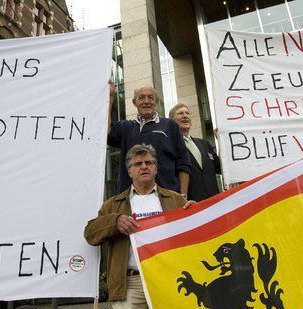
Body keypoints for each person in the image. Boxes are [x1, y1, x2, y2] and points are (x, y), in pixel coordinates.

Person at [84, 144, 192, 308]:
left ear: (156, 168)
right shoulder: (114, 204)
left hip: (169, 277)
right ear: (129, 171)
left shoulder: (176, 200)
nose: (144, 167)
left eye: (149, 163)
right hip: (131, 283)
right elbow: (90, 234)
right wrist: (115, 221)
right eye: (137, 164)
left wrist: (195, 213)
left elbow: (191, 235)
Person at [108, 81, 191, 195]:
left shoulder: (170, 125)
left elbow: (183, 163)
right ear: (134, 102)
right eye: (141, 98)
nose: (146, 101)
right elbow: (105, 130)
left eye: (150, 98)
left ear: (156, 102)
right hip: (132, 200)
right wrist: (110, 96)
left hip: (167, 198)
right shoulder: (125, 128)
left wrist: (182, 195)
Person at [169, 103, 222, 202]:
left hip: (215, 203)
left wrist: (221, 140)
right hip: (191, 206)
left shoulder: (204, 144)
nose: (185, 116)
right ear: (172, 121)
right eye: (180, 113)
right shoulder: (170, 146)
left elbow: (221, 167)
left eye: (187, 113)